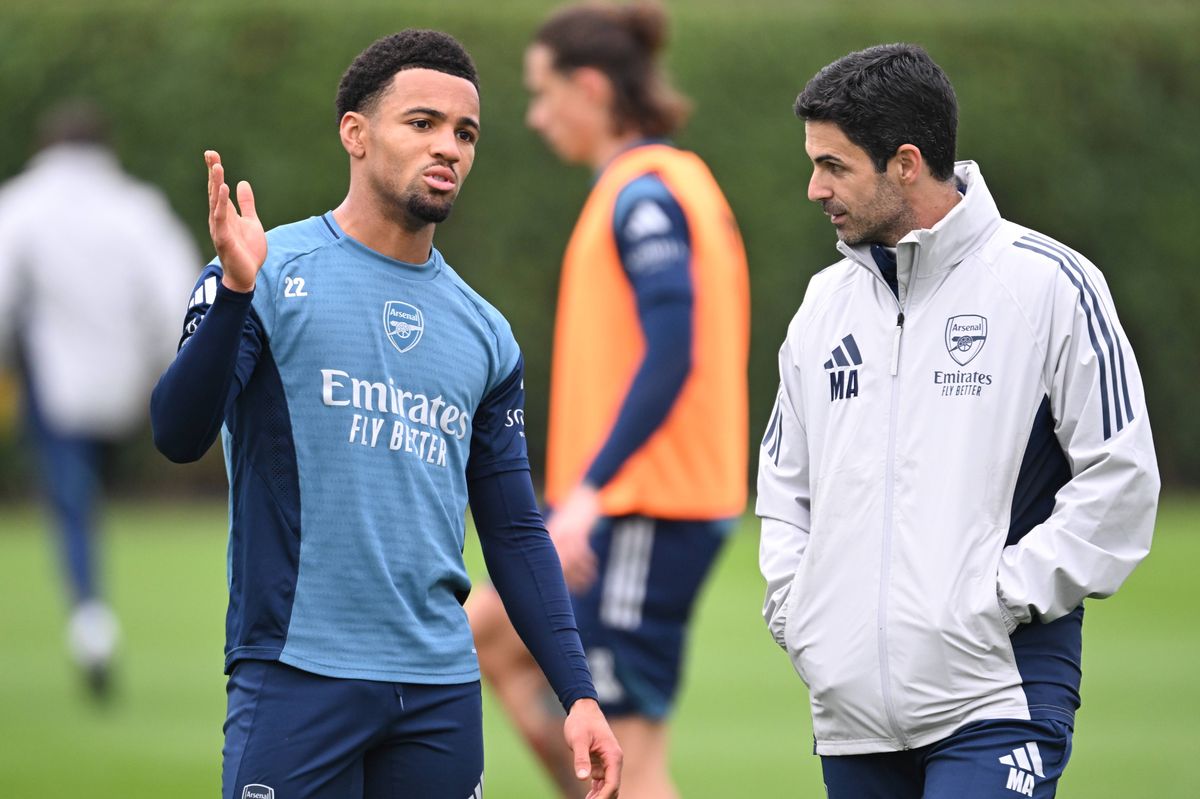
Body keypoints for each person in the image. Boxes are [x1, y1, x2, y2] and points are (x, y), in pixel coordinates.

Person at [149, 30, 621, 799]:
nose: (449, 148)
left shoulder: (484, 331)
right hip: (297, 674)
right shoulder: (267, 272)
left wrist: (579, 693)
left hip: (438, 689)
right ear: (356, 134)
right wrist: (234, 293)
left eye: (466, 133)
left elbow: (512, 527)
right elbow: (177, 433)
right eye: (423, 123)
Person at [757, 43, 1159, 798]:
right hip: (852, 710)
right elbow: (785, 489)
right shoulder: (822, 308)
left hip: (996, 692)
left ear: (906, 163)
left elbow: (1122, 480)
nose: (814, 188)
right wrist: (801, 615)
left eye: (834, 166)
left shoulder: (1050, 285)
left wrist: (998, 596)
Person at [467, 3, 749, 797]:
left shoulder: (647, 196)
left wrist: (591, 492)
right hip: (625, 509)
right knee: (488, 637)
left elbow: (673, 350)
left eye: (542, 92)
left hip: (644, 512)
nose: (534, 115)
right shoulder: (653, 185)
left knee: (629, 758)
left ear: (589, 88)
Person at [0, 99, 198, 700]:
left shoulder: (22, 203)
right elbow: (178, 291)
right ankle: (92, 615)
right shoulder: (137, 207)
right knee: (85, 494)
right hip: (125, 388)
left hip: (54, 384)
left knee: (71, 501)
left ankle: (90, 618)